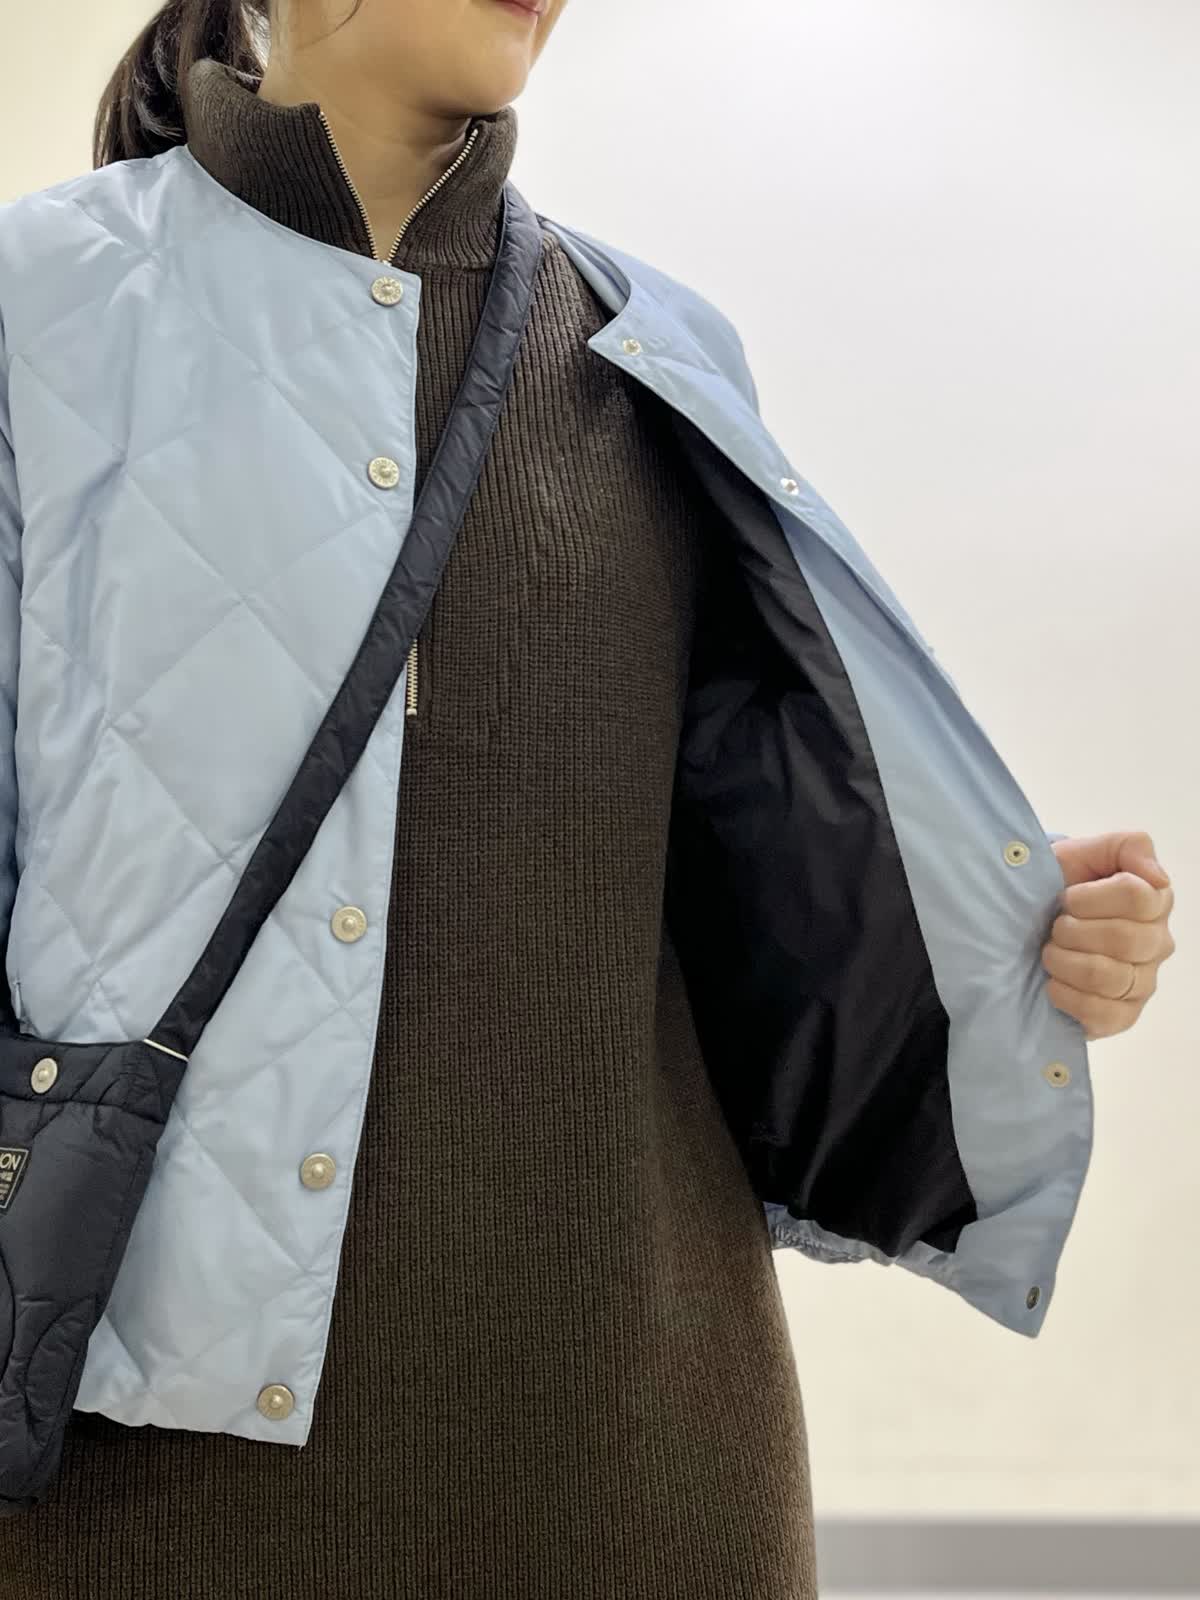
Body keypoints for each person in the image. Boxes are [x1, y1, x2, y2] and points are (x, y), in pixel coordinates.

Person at [0, 1, 1176, 1595]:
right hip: (142, 1473)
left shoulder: (654, 349)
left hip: (645, 1455)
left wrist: (1009, 938)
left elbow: (745, 890)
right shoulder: (40, 306)